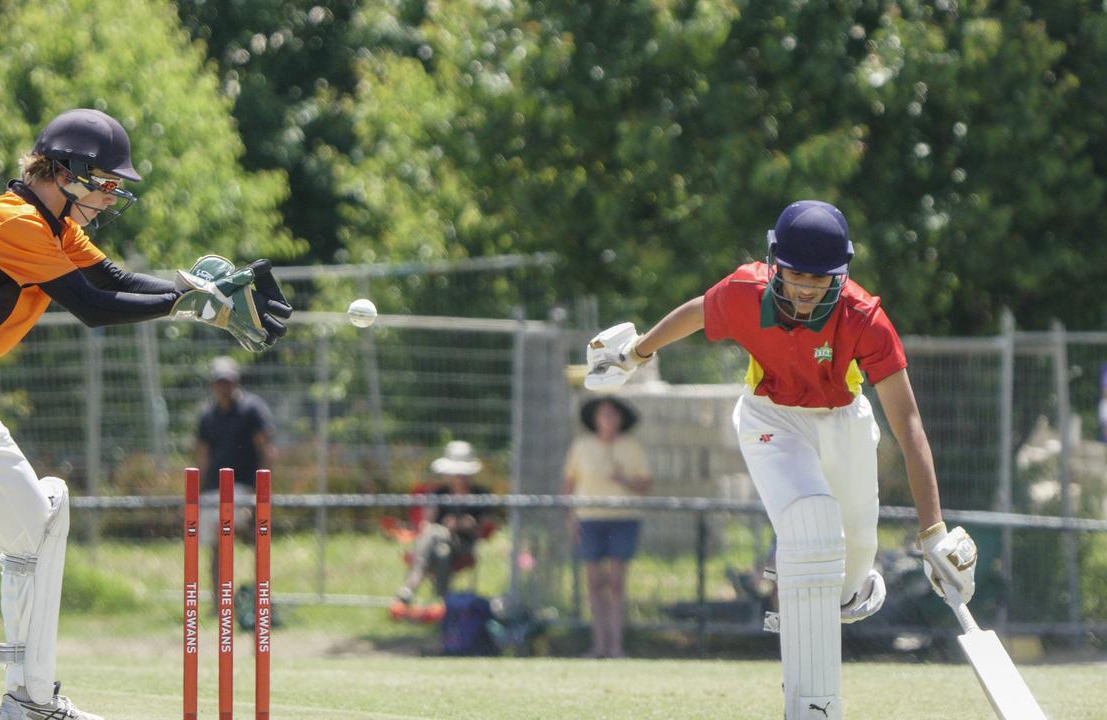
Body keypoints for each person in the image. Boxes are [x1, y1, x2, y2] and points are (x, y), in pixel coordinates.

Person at [0, 108, 291, 720]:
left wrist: (198, 293)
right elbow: (91, 305)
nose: (112, 194)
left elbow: (110, 276)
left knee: (36, 525)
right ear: (65, 171)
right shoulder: (10, 219)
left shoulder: (57, 227)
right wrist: (188, 308)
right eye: (106, 181)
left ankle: (29, 700)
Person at [585, 200, 978, 719]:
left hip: (842, 421)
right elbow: (698, 313)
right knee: (811, 518)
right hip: (770, 418)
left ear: (841, 274)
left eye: (820, 279)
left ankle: (835, 591)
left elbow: (907, 424)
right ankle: (797, 589)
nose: (806, 290)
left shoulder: (864, 317)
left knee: (856, 556)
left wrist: (933, 533)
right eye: (795, 275)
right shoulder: (746, 291)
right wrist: (637, 352)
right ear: (775, 263)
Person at [561, 396, 651, 659]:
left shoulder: (632, 447)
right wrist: (570, 517)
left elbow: (645, 484)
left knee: (616, 583)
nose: (609, 420)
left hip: (623, 518)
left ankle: (616, 646)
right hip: (589, 518)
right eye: (604, 415)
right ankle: (598, 645)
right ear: (595, 419)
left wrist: (623, 479)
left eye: (613, 415)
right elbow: (567, 485)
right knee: (594, 583)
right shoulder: (581, 446)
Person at [194, 355, 277, 614]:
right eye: (219, 382)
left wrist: (261, 492)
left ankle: (260, 602)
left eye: (228, 381)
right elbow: (201, 455)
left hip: (243, 489)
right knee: (215, 546)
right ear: (213, 385)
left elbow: (265, 449)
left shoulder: (252, 409)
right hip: (212, 491)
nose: (224, 386)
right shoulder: (207, 415)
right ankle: (219, 603)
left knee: (254, 541)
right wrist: (195, 495)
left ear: (236, 382)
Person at [393, 441, 494, 606]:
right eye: (455, 473)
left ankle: (411, 584)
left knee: (434, 533)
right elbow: (426, 524)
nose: (458, 477)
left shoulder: (480, 495)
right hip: (436, 545)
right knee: (442, 551)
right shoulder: (438, 493)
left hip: (463, 544)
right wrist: (444, 525)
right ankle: (443, 601)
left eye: (462, 473)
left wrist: (459, 525)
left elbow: (480, 526)